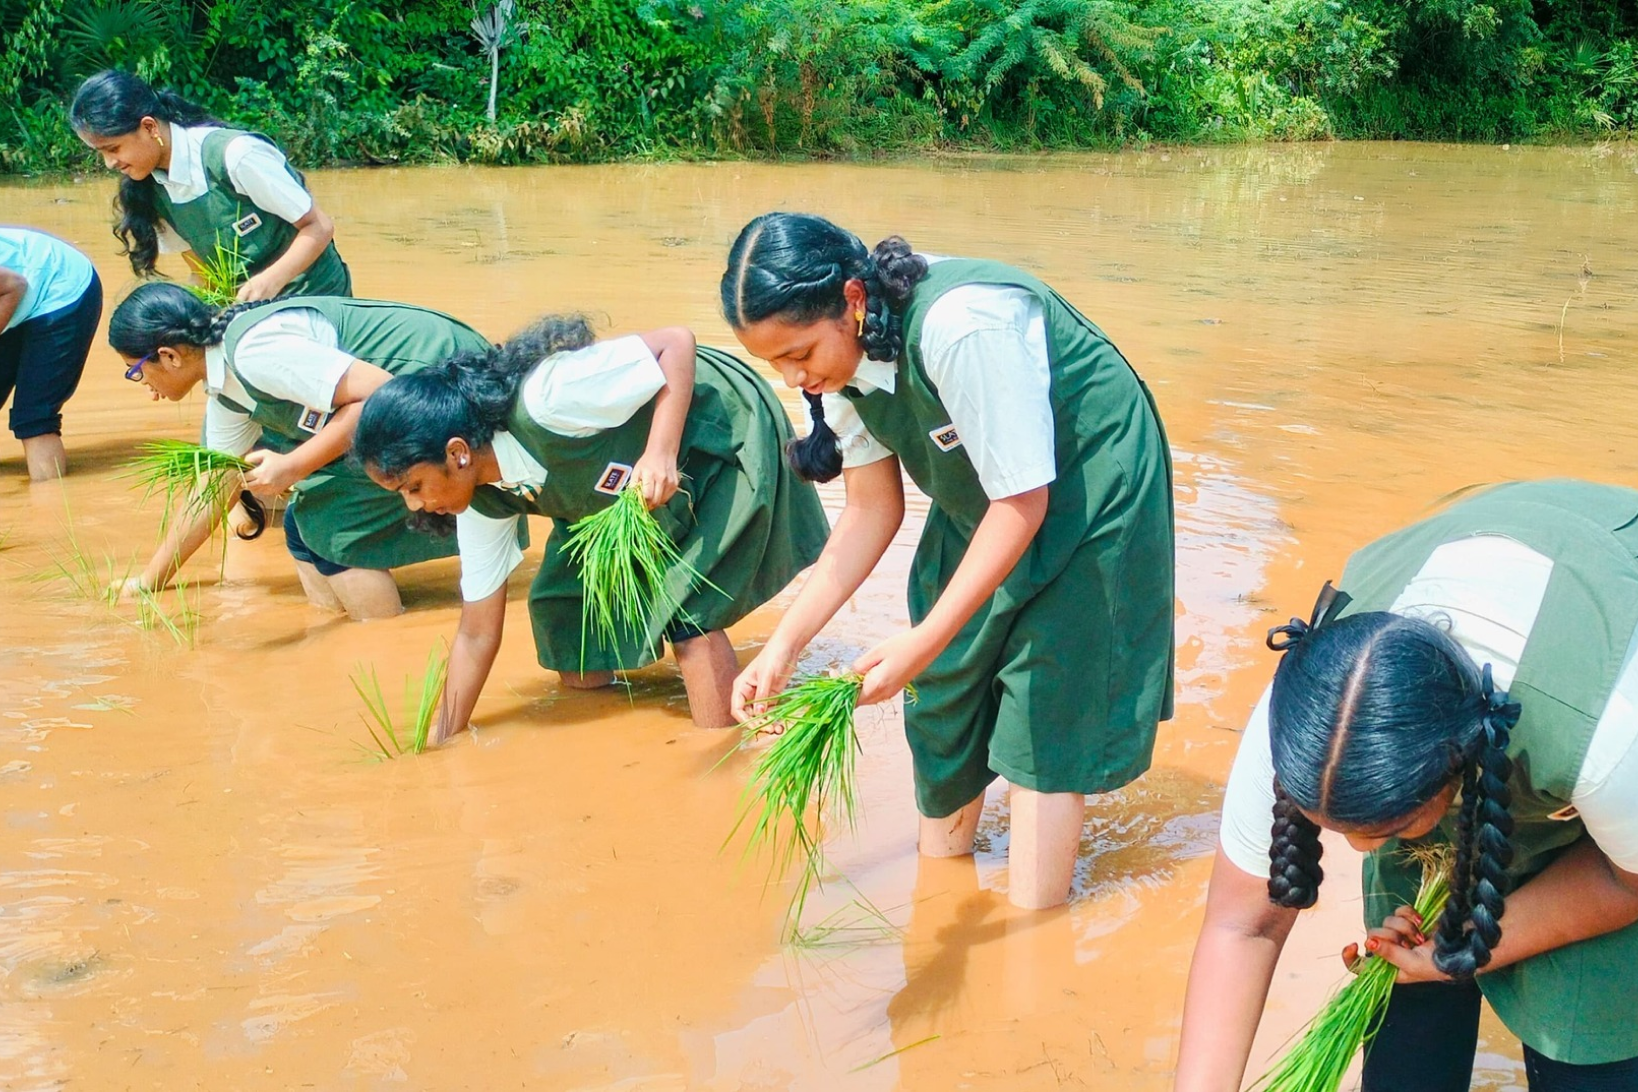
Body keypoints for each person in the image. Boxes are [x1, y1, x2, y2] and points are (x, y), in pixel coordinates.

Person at [720, 212, 1175, 910]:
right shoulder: (835, 371)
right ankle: (940, 891)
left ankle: (1032, 933)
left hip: (1089, 480)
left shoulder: (962, 326)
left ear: (852, 300)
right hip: (986, 487)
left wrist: (922, 641)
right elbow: (872, 510)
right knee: (943, 692)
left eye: (800, 354)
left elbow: (1023, 502)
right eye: (774, 364)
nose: (792, 380)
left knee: (1047, 706)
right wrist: (785, 643)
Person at [1175, 479, 1638, 1092]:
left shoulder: (1607, 729)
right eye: (1338, 828)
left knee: (1587, 1040)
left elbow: (1625, 878)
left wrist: (1474, 946)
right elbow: (1242, 925)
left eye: (1383, 831)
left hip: (1604, 612)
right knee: (1403, 1035)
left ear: (1456, 765)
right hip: (1434, 739)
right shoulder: (1308, 715)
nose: (1361, 854)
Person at [351, 314, 829, 734]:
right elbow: (477, 633)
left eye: (413, 486)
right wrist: (442, 737)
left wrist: (659, 452)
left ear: (456, 453)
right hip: (615, 485)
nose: (414, 506)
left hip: (714, 422)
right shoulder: (481, 501)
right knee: (568, 616)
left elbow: (675, 343)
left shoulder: (549, 398)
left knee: (689, 614)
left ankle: (722, 749)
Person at [107, 284, 485, 619]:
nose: (144, 387)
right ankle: (347, 636)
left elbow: (379, 394)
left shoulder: (255, 353)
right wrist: (148, 582)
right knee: (300, 528)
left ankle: (387, 636)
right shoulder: (226, 391)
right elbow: (212, 488)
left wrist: (292, 466)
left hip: (451, 381)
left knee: (332, 528)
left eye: (135, 371)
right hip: (408, 404)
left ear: (170, 356)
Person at [70, 70, 350, 300]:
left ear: (150, 127)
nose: (110, 163)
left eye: (114, 148)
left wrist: (269, 282)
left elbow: (319, 226)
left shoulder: (237, 155)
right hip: (249, 310)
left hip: (316, 296)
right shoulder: (150, 189)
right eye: (101, 153)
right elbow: (205, 274)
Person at [0, 227, 102, 480]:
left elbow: (14, 285)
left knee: (33, 416)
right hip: (14, 297)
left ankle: (51, 505)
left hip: (60, 287)